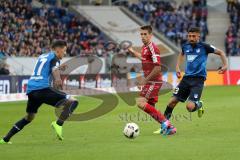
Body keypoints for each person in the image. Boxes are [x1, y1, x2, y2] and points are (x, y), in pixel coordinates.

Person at [0, 40, 78, 144]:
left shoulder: (43, 56)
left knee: (29, 117)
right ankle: (58, 124)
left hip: (32, 90)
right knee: (73, 101)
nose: (65, 53)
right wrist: (58, 79)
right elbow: (54, 69)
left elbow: (46, 68)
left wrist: (59, 69)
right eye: (64, 51)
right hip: (42, 89)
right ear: (58, 50)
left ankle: (5, 139)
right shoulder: (55, 58)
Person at [154, 27, 227, 134]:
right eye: (189, 36)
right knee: (171, 102)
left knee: (190, 107)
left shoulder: (205, 47)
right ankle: (164, 126)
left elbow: (221, 52)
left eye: (193, 36)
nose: (191, 38)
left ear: (198, 36)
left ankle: (199, 104)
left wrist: (225, 65)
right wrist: (178, 67)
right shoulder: (186, 46)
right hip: (186, 79)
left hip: (198, 80)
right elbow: (181, 53)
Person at [128, 25, 176, 135]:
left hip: (154, 81)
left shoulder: (153, 48)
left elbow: (158, 67)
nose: (143, 36)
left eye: (145, 34)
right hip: (150, 81)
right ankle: (169, 127)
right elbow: (143, 58)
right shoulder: (144, 48)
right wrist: (132, 51)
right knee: (150, 108)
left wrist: (145, 81)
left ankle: (166, 124)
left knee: (140, 103)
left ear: (150, 35)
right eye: (141, 34)